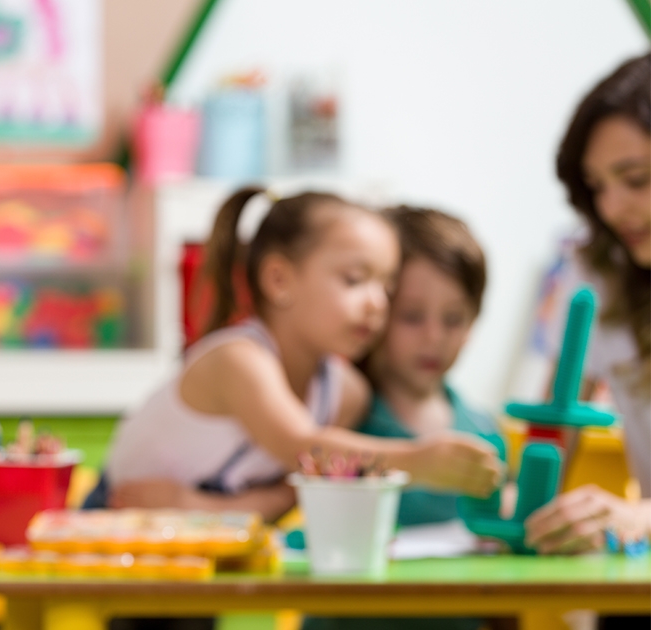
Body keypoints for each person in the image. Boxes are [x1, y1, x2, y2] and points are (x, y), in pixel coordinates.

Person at [104, 188, 502, 522]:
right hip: (115, 518)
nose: (377, 303)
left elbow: (292, 491)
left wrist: (196, 509)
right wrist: (417, 462)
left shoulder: (347, 393)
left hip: (202, 529)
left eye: (387, 286)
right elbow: (303, 450)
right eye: (355, 280)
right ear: (279, 280)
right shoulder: (239, 360)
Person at [302, 206, 497, 630]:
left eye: (454, 319)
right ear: (375, 309)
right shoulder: (342, 415)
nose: (434, 337)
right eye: (411, 316)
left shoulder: (482, 432)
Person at [523, 53, 651, 554]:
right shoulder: (598, 270)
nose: (611, 208)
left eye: (636, 179)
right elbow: (555, 419)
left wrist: (634, 517)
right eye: (597, 186)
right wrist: (528, 504)